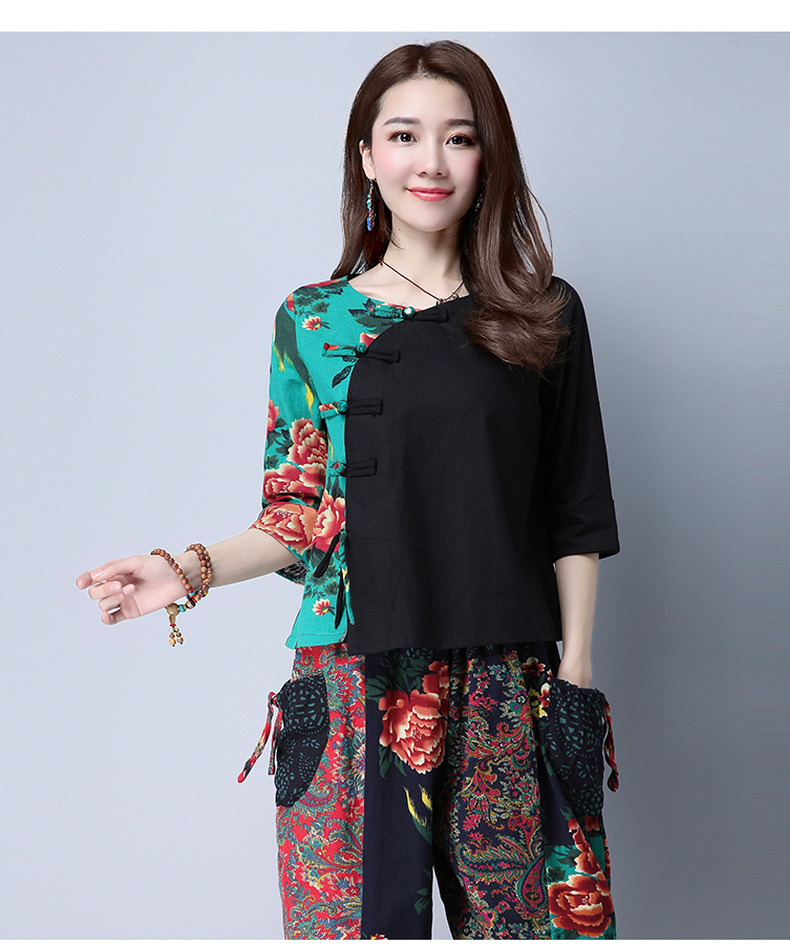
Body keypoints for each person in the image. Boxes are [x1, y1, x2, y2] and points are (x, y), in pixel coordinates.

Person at [76, 40, 621, 940]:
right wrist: (186, 569)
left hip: (509, 680)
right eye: (404, 135)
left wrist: (576, 671)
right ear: (367, 157)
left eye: (458, 137)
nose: (430, 161)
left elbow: (575, 507)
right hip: (352, 678)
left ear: (488, 157)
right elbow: (297, 514)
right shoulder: (313, 320)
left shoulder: (542, 312)